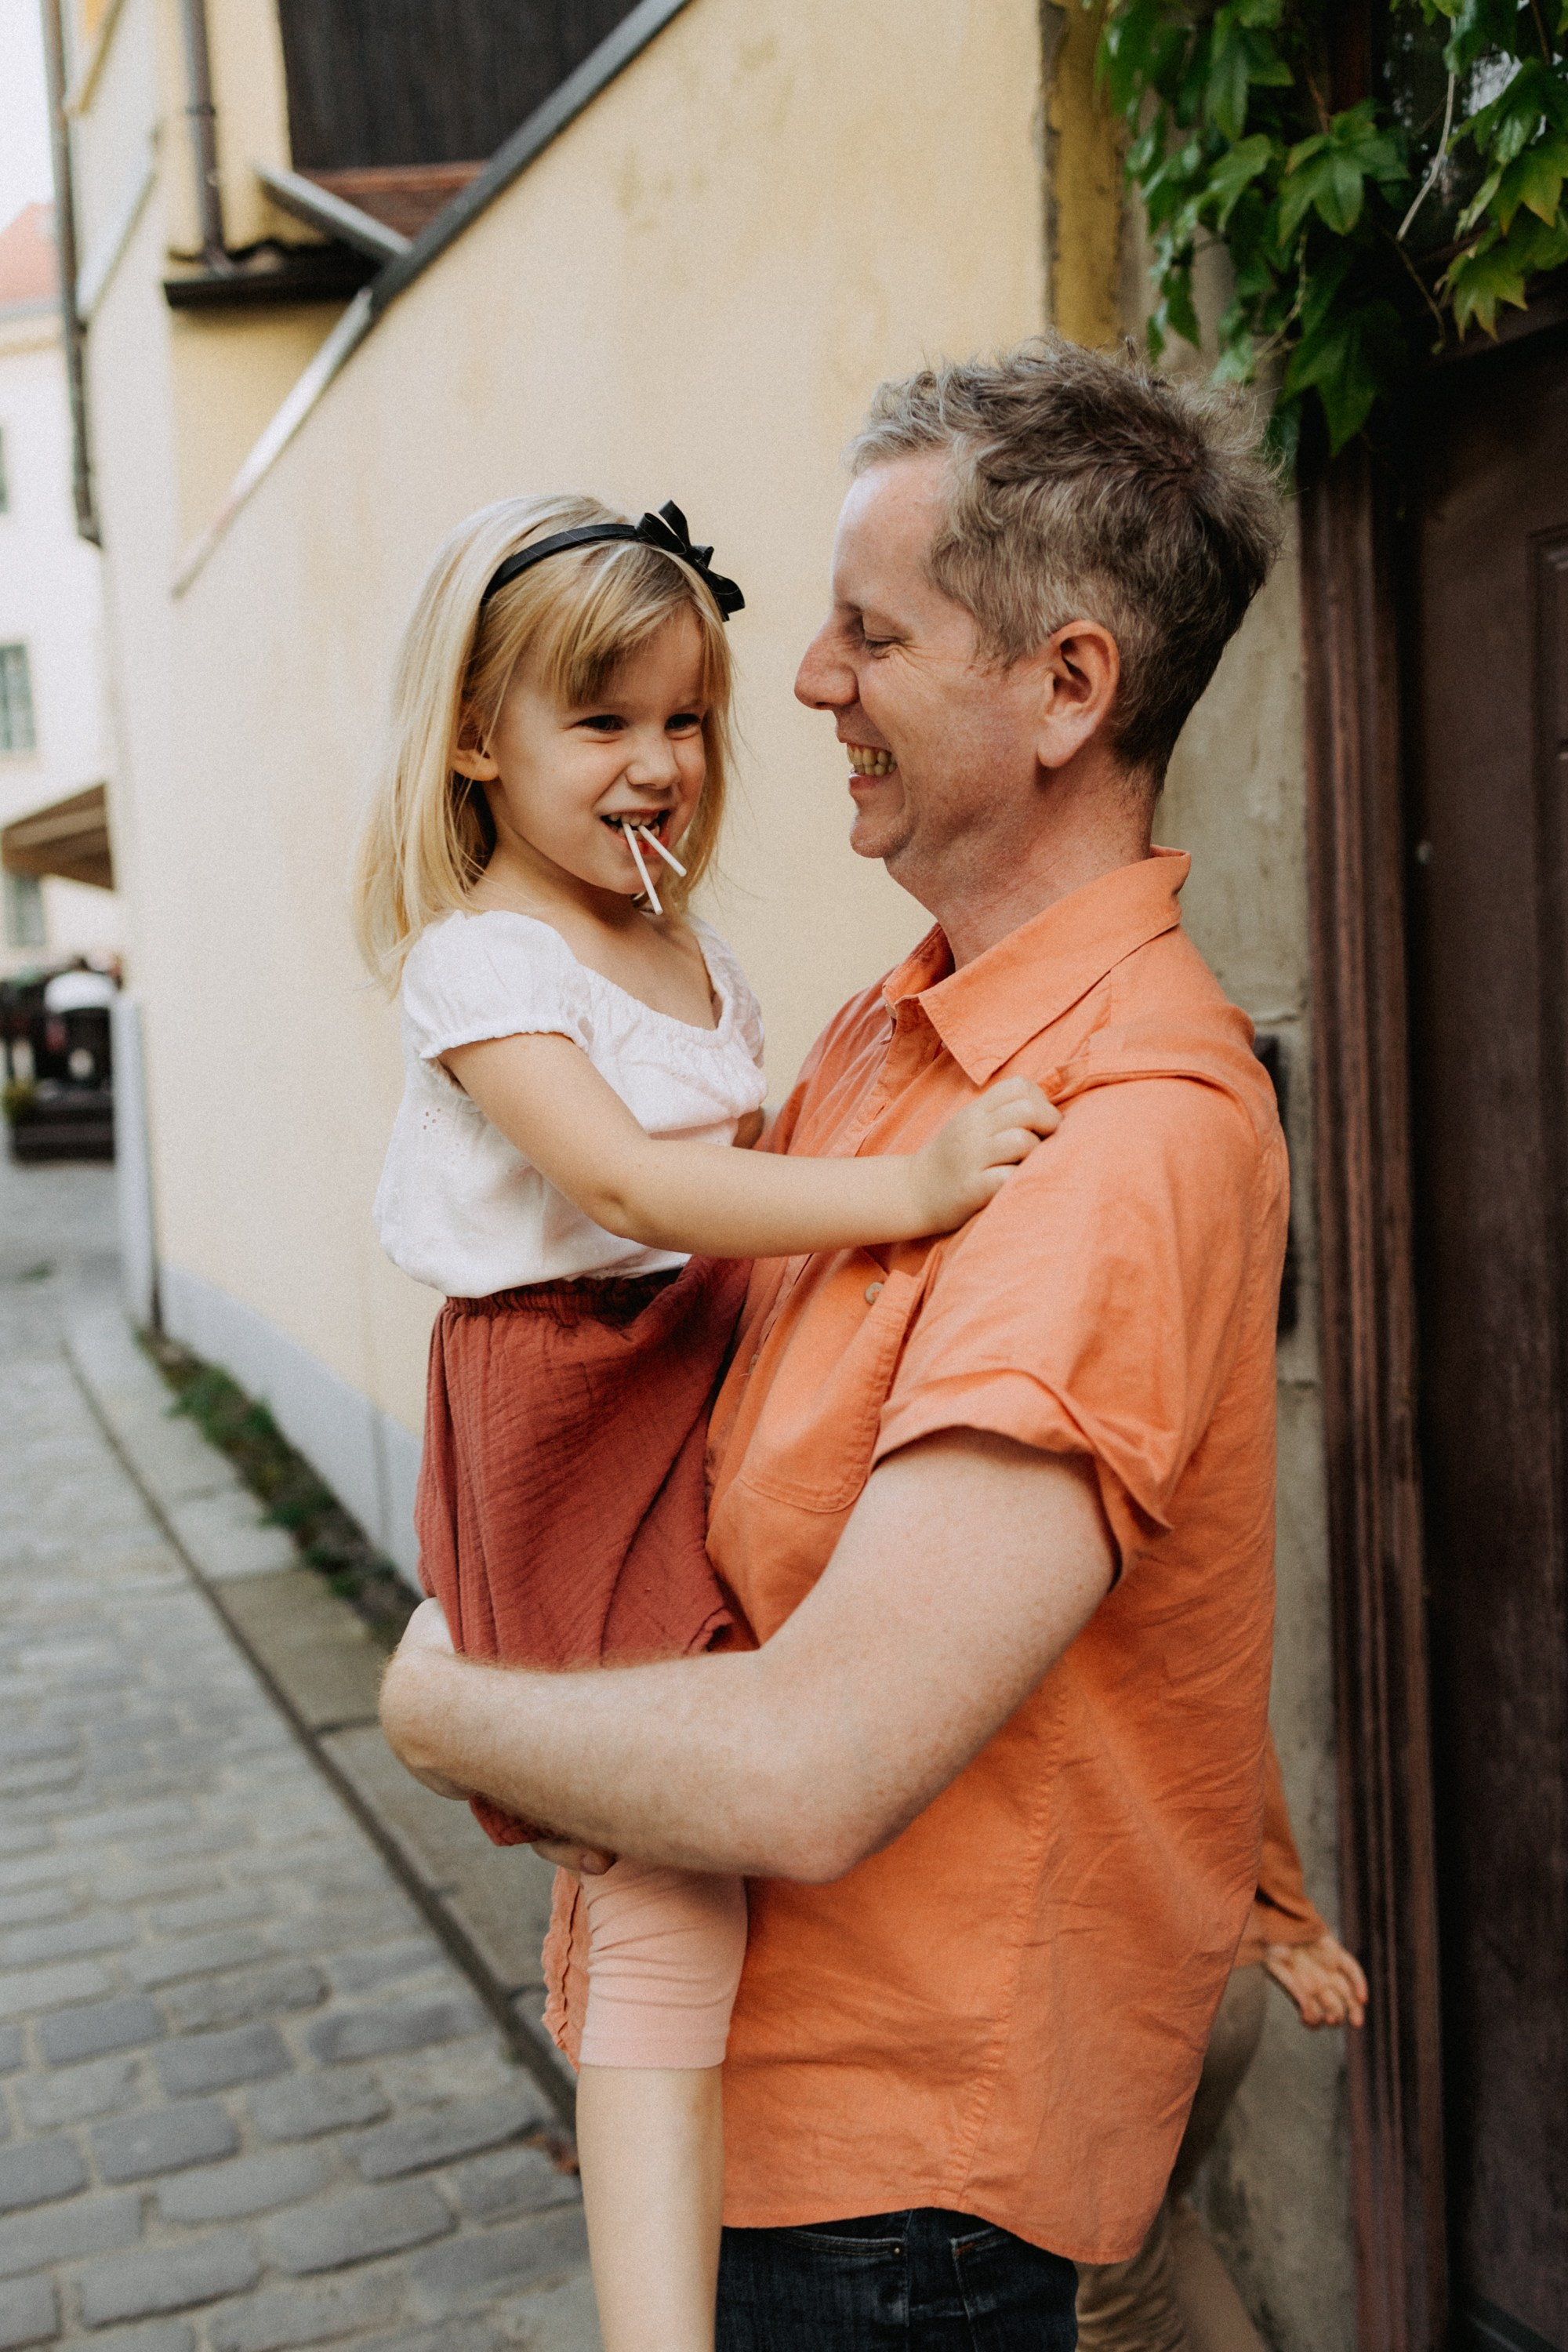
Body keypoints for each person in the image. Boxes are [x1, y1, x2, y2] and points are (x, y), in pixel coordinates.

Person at [379, 338, 1290, 2350]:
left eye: (866, 635)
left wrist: (444, 1709)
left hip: (897, 2201)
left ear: (1065, 689)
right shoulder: (897, 1030)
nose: (796, 688)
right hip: (777, 2126)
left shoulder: (1115, 1131)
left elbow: (811, 1766)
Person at [352, 492, 1055, 2352]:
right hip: (570, 1401)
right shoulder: (483, 962)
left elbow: (731, 1188)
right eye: (601, 723)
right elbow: (637, 1189)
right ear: (474, 741)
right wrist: (908, 1191)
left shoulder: (690, 948)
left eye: (685, 718)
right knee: (665, 1871)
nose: (658, 763)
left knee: (765, 1761)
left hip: (694, 1358)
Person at [1075, 1736, 1368, 2350]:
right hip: (1224, 1972)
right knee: (1164, 2236)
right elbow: (1238, 1722)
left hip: (1109, 1987)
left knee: (1117, 2317)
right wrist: (1284, 1910)